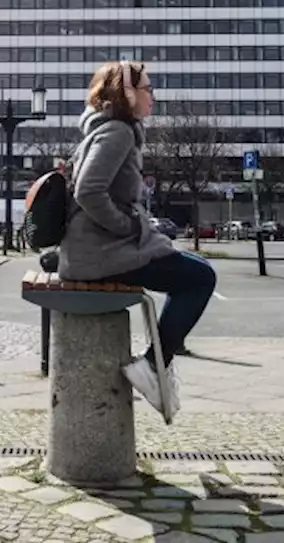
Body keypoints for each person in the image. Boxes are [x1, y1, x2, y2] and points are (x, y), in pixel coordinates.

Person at [58, 60, 217, 418]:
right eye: (147, 88)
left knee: (197, 269)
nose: (153, 96)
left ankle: (156, 365)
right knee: (200, 278)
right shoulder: (118, 133)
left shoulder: (108, 130)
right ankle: (152, 366)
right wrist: (126, 227)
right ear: (124, 94)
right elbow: (88, 191)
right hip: (101, 253)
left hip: (95, 250)